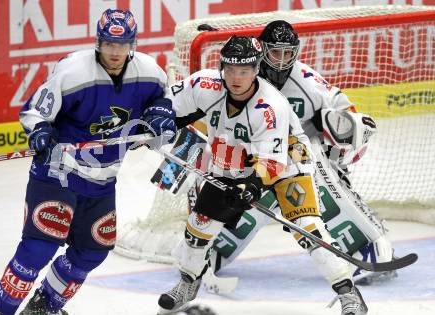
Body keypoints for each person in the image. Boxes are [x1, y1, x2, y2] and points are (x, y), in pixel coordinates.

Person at [157, 35, 367, 315]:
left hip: (288, 161)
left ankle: (348, 293)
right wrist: (154, 123)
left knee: (307, 229)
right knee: (198, 227)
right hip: (233, 157)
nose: (236, 77)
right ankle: (188, 283)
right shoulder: (204, 84)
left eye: (244, 71)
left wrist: (250, 188)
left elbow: (271, 163)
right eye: (230, 69)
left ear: (256, 70)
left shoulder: (270, 107)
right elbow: (168, 105)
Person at [0, 8, 175, 315]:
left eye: (122, 45)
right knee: (39, 247)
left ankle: (43, 306)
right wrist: (40, 130)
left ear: (132, 44)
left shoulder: (150, 72)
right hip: (58, 173)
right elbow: (36, 110)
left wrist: (160, 113)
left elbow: (165, 102)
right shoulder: (72, 71)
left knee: (94, 249)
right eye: (108, 44)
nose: (114, 52)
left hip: (103, 179)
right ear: (98, 42)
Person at [208, 20, 395, 288]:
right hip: (256, 159)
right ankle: (210, 247)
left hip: (302, 160)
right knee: (239, 202)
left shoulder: (309, 84)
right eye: (275, 53)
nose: (282, 61)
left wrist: (339, 153)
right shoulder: (243, 73)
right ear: (262, 51)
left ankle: (367, 246)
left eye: (288, 53)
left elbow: (348, 121)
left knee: (324, 194)